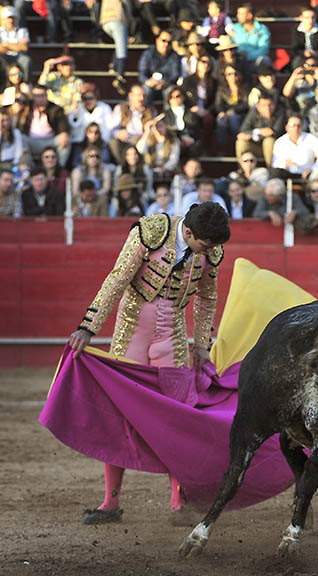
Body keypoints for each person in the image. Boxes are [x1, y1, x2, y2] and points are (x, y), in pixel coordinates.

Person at [68, 202, 231, 524]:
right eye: (205, 245)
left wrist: (201, 346)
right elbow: (118, 279)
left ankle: (178, 501)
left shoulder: (210, 250)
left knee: (178, 415)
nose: (210, 251)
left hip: (172, 333)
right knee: (120, 415)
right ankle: (110, 503)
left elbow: (207, 296)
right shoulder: (152, 232)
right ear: (188, 232)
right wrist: (89, 326)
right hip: (133, 329)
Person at [19, 84, 71, 167]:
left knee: (65, 140)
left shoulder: (56, 109)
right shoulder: (28, 108)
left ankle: (59, 168)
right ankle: (28, 168)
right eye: (36, 96)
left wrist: (64, 134)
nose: (39, 98)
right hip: (32, 141)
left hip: (50, 141)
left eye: (42, 95)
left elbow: (63, 126)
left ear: (46, 95)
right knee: (20, 138)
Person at [68, 83, 113, 165]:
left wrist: (97, 139)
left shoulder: (104, 108)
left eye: (91, 98)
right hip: (82, 144)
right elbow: (74, 127)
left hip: (100, 144)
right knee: (76, 164)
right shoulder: (78, 108)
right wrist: (75, 113)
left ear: (96, 98)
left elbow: (109, 128)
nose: (88, 101)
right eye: (85, 98)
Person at [236, 93, 286, 167]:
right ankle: (243, 171)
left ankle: (270, 170)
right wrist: (258, 132)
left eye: (270, 105)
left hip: (275, 150)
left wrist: (252, 135)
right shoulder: (253, 112)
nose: (267, 108)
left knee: (269, 140)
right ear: (258, 107)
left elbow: (274, 133)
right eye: (264, 105)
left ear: (274, 105)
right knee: (241, 142)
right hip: (256, 147)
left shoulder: (280, 113)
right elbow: (242, 132)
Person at [109, 84, 155, 164]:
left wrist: (144, 136)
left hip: (142, 141)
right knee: (113, 142)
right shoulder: (121, 108)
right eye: (138, 95)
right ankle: (124, 166)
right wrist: (118, 133)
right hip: (126, 142)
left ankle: (143, 167)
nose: (141, 98)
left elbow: (153, 131)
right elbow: (112, 129)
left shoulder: (150, 110)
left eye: (143, 95)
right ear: (131, 96)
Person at [271, 114, 318, 179]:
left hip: (307, 174)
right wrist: (285, 164)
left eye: (299, 126)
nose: (296, 128)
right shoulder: (280, 142)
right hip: (287, 173)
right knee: (275, 172)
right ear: (287, 127)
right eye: (293, 125)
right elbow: (274, 163)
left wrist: (313, 168)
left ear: (302, 127)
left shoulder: (310, 138)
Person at [138, 29, 181, 105]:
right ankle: (145, 115)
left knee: (172, 92)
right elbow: (142, 74)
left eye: (169, 42)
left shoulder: (174, 56)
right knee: (144, 91)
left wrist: (165, 82)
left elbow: (175, 75)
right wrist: (149, 82)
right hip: (150, 84)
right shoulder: (148, 53)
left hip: (166, 85)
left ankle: (169, 116)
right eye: (163, 41)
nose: (166, 44)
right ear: (157, 40)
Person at [214, 64, 249, 153]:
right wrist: (222, 112)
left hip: (241, 114)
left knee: (234, 119)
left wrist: (234, 110)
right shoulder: (222, 89)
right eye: (229, 74)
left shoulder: (245, 87)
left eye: (235, 73)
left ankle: (236, 147)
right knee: (221, 120)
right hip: (226, 114)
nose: (233, 76)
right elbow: (218, 104)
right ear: (225, 76)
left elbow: (246, 104)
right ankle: (223, 149)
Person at [100, 0, 132, 95]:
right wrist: (130, 17)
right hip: (117, 18)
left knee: (120, 44)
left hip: (105, 20)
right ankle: (120, 76)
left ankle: (113, 65)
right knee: (122, 48)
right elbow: (126, 3)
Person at [136, 116, 180, 181]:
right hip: (151, 169)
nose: (158, 129)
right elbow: (140, 150)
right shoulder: (148, 139)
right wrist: (146, 132)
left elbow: (173, 160)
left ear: (166, 126)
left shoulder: (173, 140)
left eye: (160, 126)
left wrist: (164, 168)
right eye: (155, 127)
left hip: (166, 169)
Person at [71, 145, 113, 210]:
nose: (94, 158)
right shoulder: (78, 171)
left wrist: (92, 195)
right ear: (86, 157)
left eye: (97, 156)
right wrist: (85, 197)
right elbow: (75, 191)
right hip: (81, 199)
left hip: (98, 199)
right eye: (91, 156)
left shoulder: (105, 171)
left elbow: (106, 189)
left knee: (104, 200)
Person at [164, 85, 201, 156]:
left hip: (188, 140)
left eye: (178, 96)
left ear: (183, 97)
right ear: (169, 99)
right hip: (172, 141)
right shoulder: (165, 115)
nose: (175, 99)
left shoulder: (190, 114)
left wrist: (191, 139)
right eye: (172, 97)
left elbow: (196, 130)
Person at [0, 5, 31, 82]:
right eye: (8, 18)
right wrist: (17, 46)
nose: (11, 21)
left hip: (19, 57)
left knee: (26, 60)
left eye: (13, 18)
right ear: (3, 20)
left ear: (16, 19)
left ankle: (25, 84)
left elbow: (24, 48)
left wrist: (7, 44)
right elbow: (0, 49)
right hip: (3, 57)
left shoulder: (23, 31)